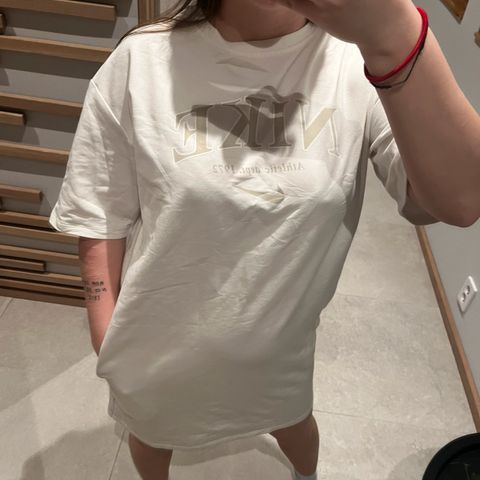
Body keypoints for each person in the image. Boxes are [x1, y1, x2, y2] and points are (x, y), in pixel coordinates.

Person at [48, 0, 479, 479]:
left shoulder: (361, 59)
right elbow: (100, 213)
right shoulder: (140, 61)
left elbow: (459, 201)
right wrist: (105, 334)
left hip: (280, 349)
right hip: (156, 346)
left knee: (295, 427)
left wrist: (396, 36)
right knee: (152, 436)